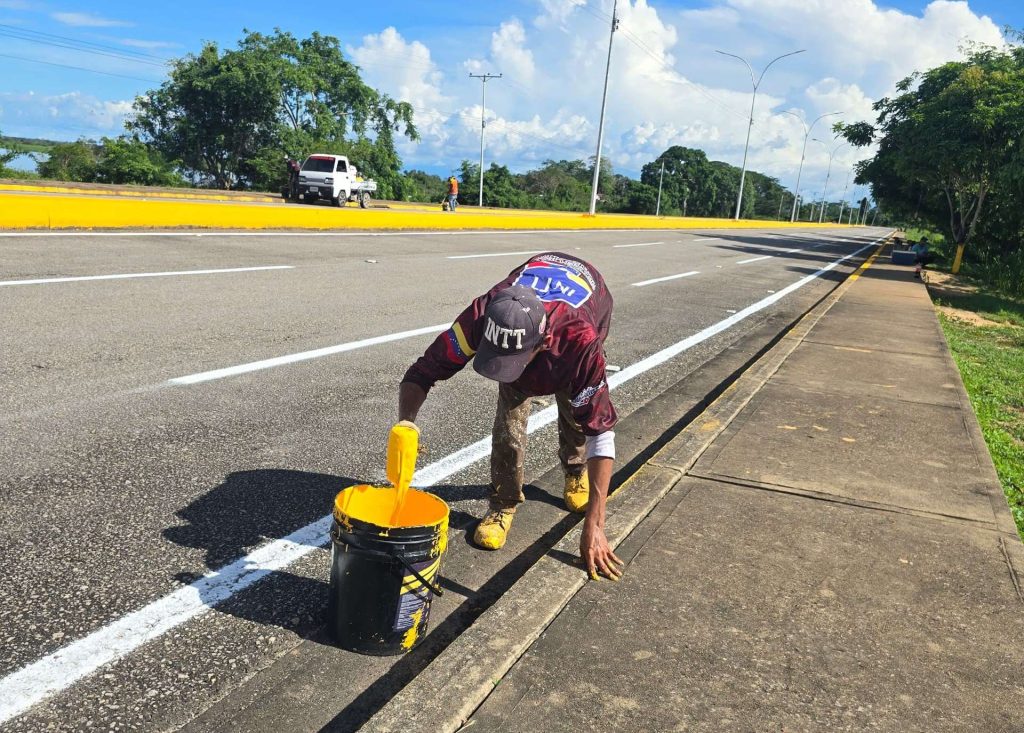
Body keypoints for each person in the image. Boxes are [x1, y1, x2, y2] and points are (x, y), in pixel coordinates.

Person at [397, 252, 623, 580]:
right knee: (509, 419)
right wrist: (406, 424)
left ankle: (575, 471)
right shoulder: (481, 315)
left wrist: (596, 525)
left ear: (543, 343)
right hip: (532, 315)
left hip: (588, 306)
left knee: (578, 407)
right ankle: (503, 502)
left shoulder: (580, 340)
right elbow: (423, 371)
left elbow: (599, 431)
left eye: (512, 358)